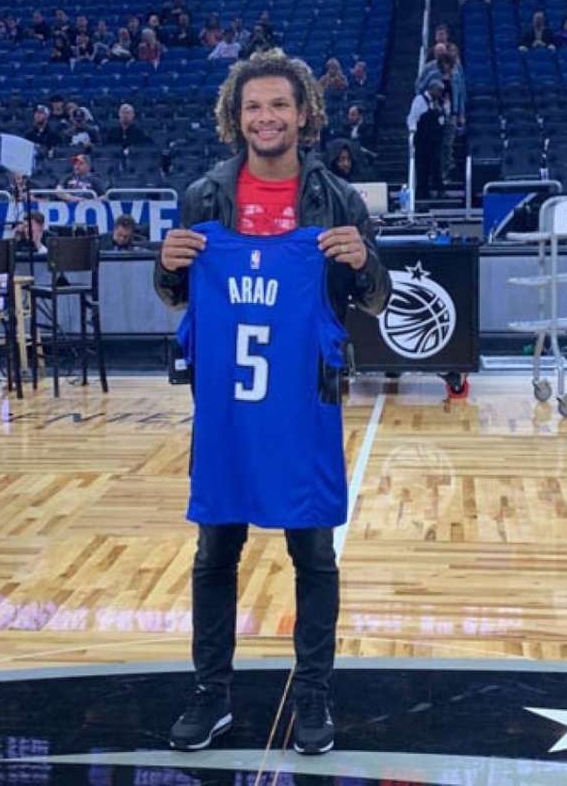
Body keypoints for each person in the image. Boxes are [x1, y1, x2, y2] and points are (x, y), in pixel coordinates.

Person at [155, 48, 390, 757]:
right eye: (254, 106)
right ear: (237, 116)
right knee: (213, 557)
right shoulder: (204, 197)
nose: (266, 117)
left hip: (303, 409)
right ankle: (211, 695)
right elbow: (176, 295)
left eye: (279, 105)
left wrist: (363, 261)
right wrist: (163, 265)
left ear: (303, 114)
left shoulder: (335, 200)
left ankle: (312, 696)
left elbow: (374, 300)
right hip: (225, 412)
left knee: (314, 557)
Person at [416, 48, 465, 181]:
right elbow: (419, 88)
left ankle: (445, 172)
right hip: (434, 115)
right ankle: (435, 175)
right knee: (435, 146)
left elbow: (461, 94)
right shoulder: (432, 74)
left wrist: (461, 114)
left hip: (451, 114)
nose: (447, 67)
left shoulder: (456, 74)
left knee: (447, 145)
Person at [406, 78, 446, 199]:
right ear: (432, 89)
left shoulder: (438, 103)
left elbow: (442, 119)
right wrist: (412, 133)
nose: (440, 94)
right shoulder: (419, 100)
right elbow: (412, 118)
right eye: (439, 91)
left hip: (435, 140)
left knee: (436, 165)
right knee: (422, 167)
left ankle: (438, 190)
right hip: (422, 140)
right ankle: (422, 192)